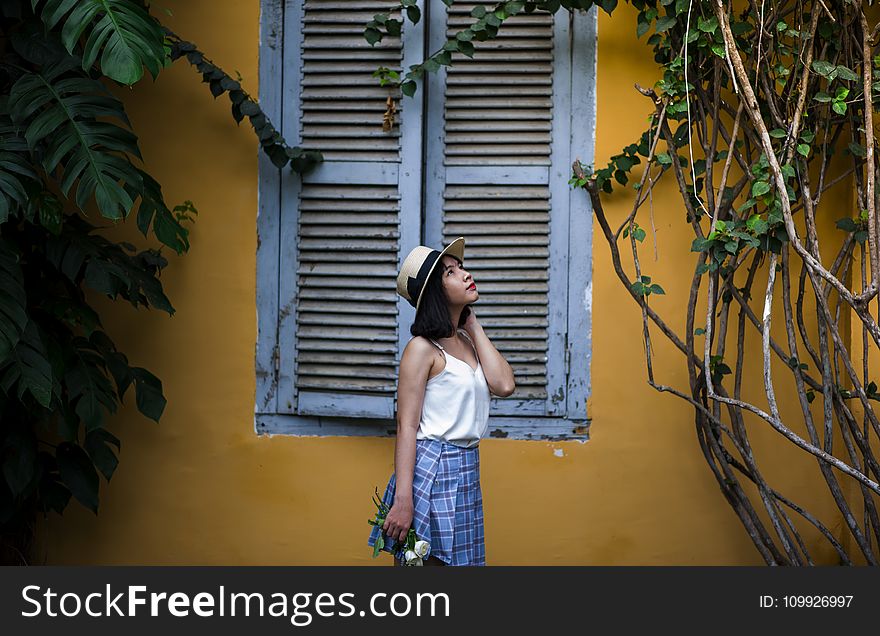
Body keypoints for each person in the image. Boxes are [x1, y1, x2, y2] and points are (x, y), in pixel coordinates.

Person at [367, 236, 516, 566]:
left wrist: (471, 324)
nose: (464, 273)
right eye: (450, 272)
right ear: (435, 291)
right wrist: (404, 499)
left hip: (466, 469)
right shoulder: (421, 349)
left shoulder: (467, 341)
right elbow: (407, 426)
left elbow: (504, 385)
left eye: (461, 267)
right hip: (431, 470)